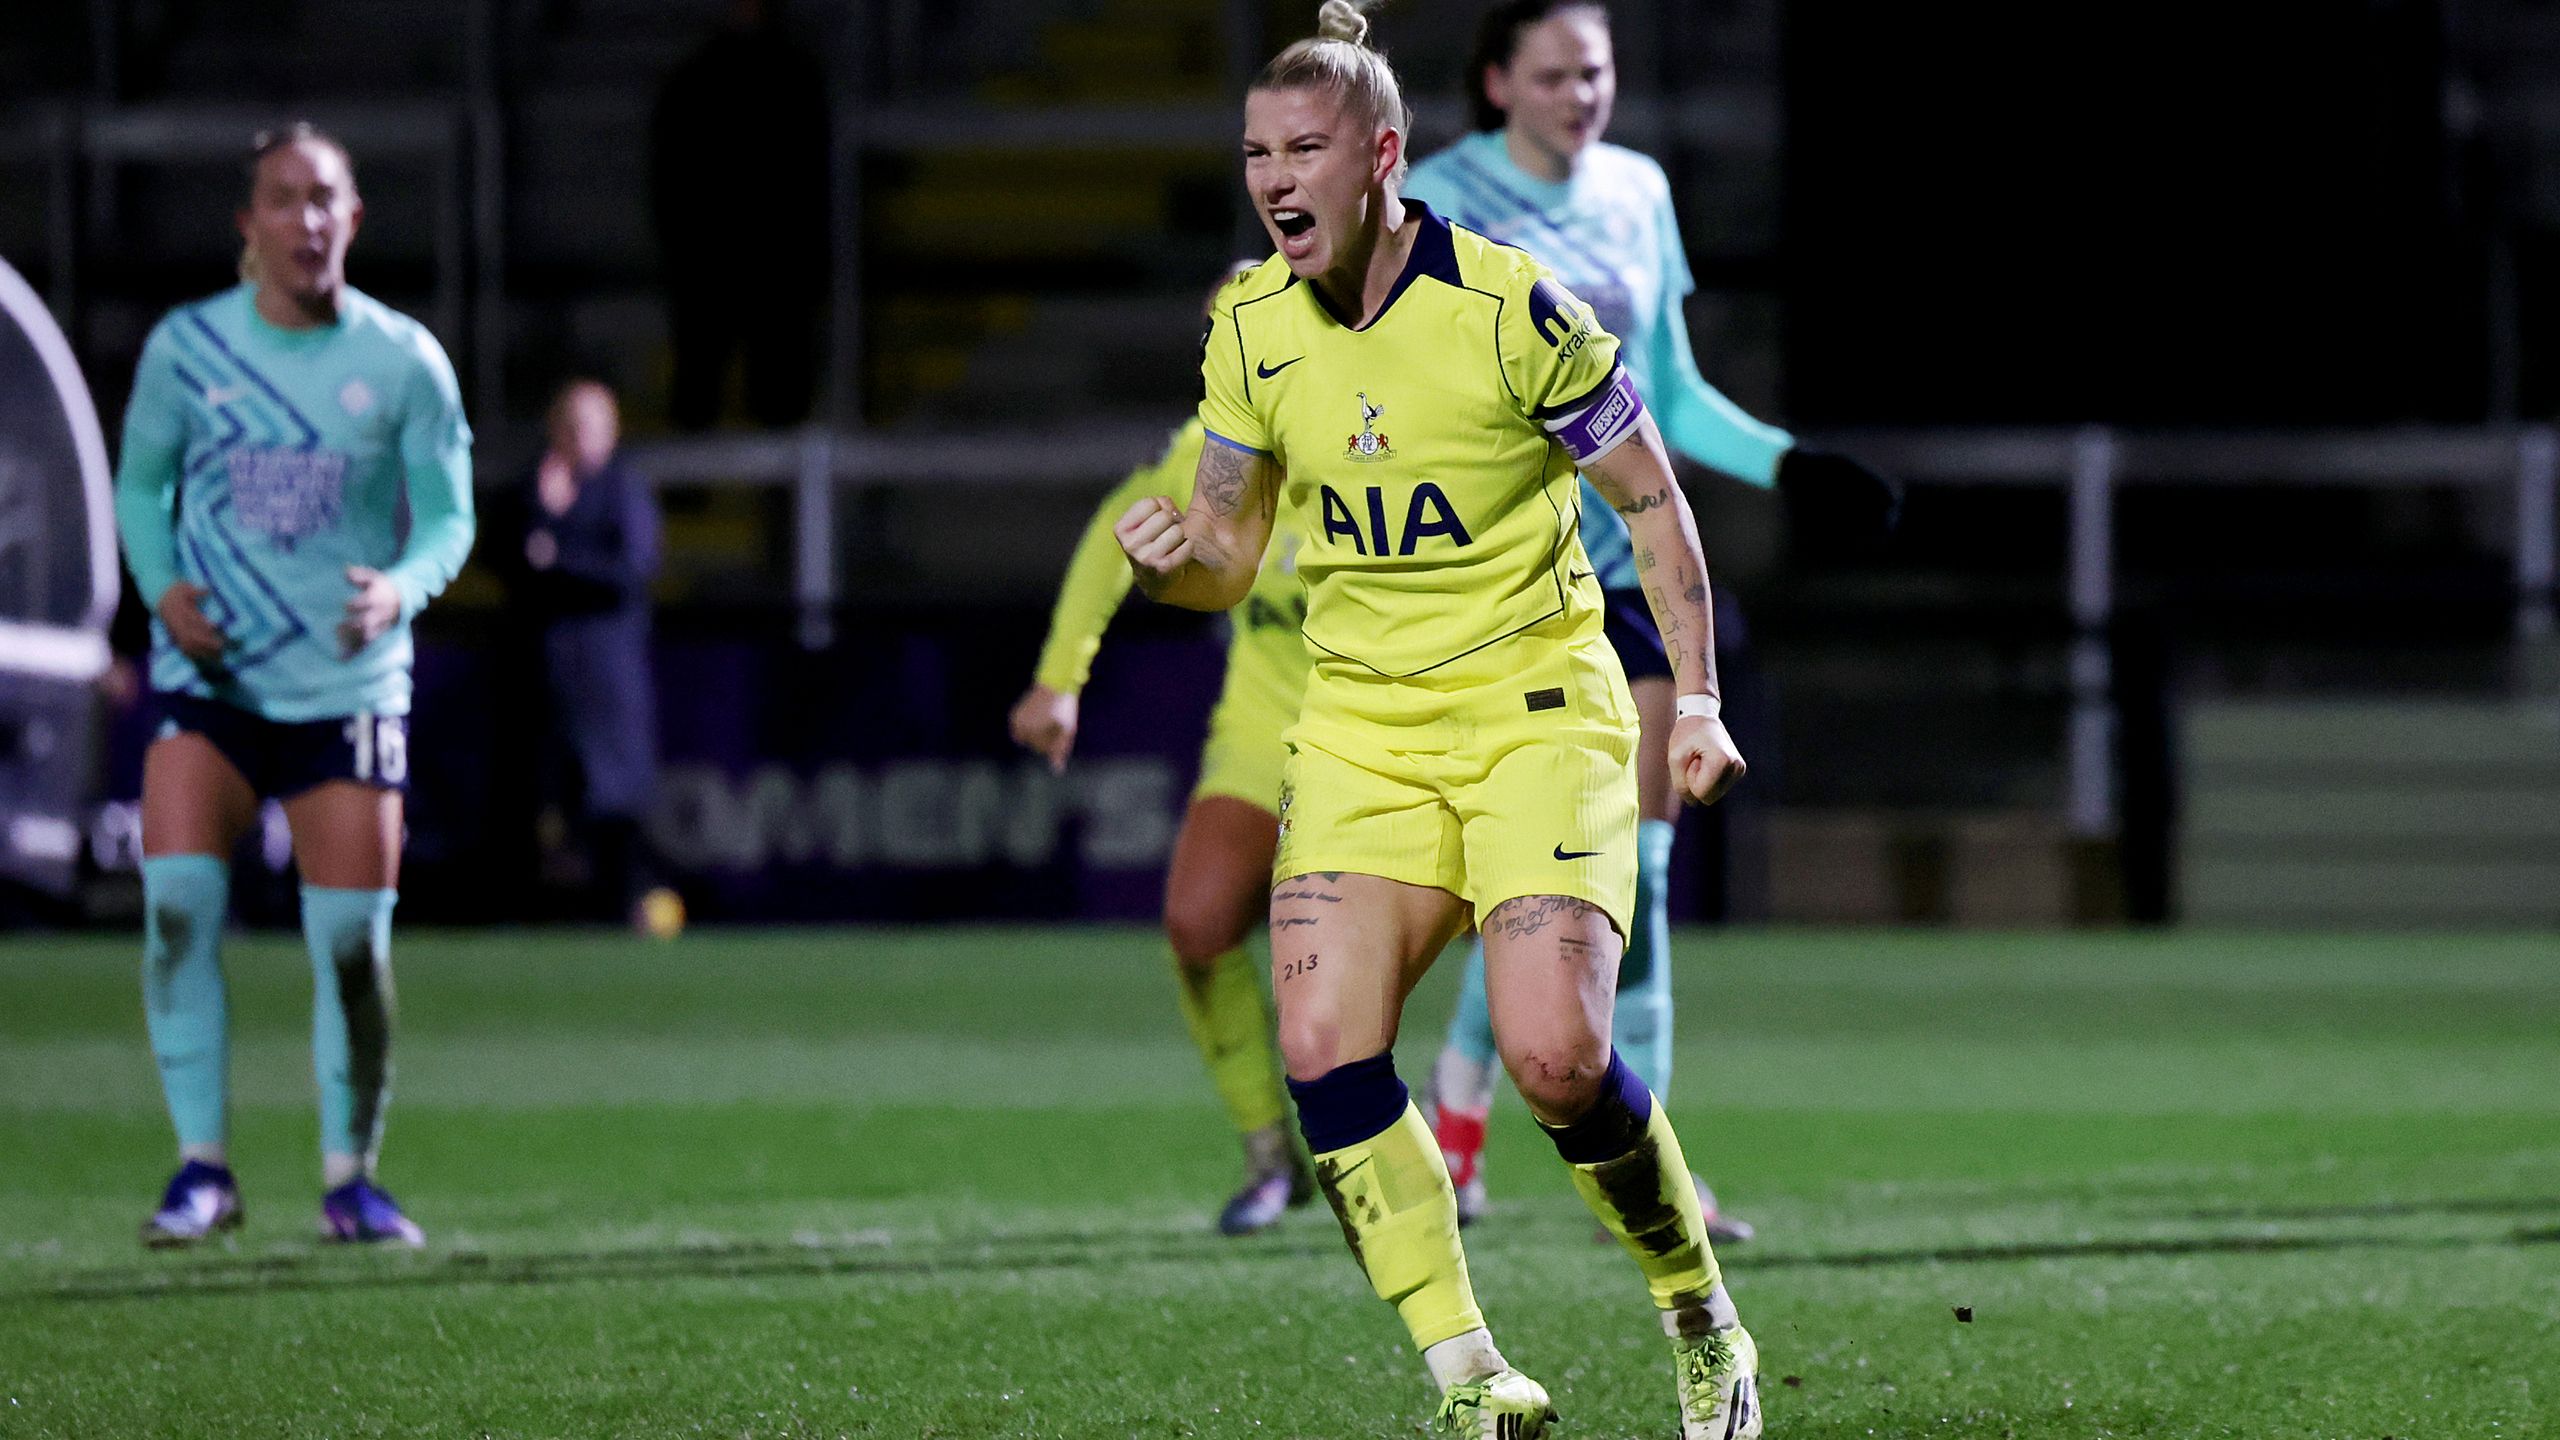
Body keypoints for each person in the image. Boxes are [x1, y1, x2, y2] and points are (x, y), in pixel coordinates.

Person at [1116, 5, 1760, 1434]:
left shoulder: (1512, 311)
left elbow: (1654, 502)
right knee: (1323, 1050)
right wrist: (1178, 569)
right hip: (1361, 732)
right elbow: (1229, 553)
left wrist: (1697, 701)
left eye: (1306, 150)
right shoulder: (1249, 328)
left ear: (1384, 157)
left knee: (1555, 1062)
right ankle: (1472, 1380)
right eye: (1255, 155)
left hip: (1537, 710)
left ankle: (1700, 1314)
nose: (1276, 181)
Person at [1404, 0, 1899, 1232]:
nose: (1583, 95)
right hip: (1492, 585)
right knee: (1521, 885)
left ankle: (1648, 1163)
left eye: (1598, 72)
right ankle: (1455, 1115)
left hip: (1620, 576)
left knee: (1647, 869)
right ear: (1497, 82)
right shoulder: (1429, 195)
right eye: (1557, 74)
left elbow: (1667, 391)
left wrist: (1787, 463)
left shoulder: (1636, 191)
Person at [114, 123, 475, 1248]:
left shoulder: (405, 359)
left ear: (353, 219)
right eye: (284, 199)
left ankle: (349, 1180)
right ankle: (201, 1171)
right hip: (212, 681)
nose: (307, 220)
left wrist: (403, 589)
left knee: (354, 949)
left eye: (325, 199)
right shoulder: (188, 350)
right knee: (177, 912)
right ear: (249, 223)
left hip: (348, 685)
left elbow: (453, 516)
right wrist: (162, 585)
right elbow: (140, 489)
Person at [1010, 292, 1314, 1230]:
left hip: (1399, 730)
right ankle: (1271, 1155)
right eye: (1226, 345)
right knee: (1197, 923)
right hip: (1267, 734)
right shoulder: (1209, 456)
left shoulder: (1377, 424)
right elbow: (1116, 535)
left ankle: (1456, 1126)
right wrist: (1060, 680)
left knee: (1502, 940)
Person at [508, 378, 674, 935]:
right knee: (545, 800)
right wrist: (544, 520)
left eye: (592, 427)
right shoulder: (534, 489)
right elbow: (508, 560)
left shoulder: (622, 489)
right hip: (545, 678)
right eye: (572, 426)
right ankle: (545, 913)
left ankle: (626, 904)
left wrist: (555, 555)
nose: (581, 440)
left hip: (608, 678)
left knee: (615, 798)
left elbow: (632, 570)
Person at [649, 0, 829, 430]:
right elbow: (668, 172)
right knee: (698, 383)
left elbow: (815, 177)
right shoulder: (694, 79)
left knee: (780, 390)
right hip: (706, 261)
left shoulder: (796, 76)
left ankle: (782, 495)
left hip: (779, 264)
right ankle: (685, 495)